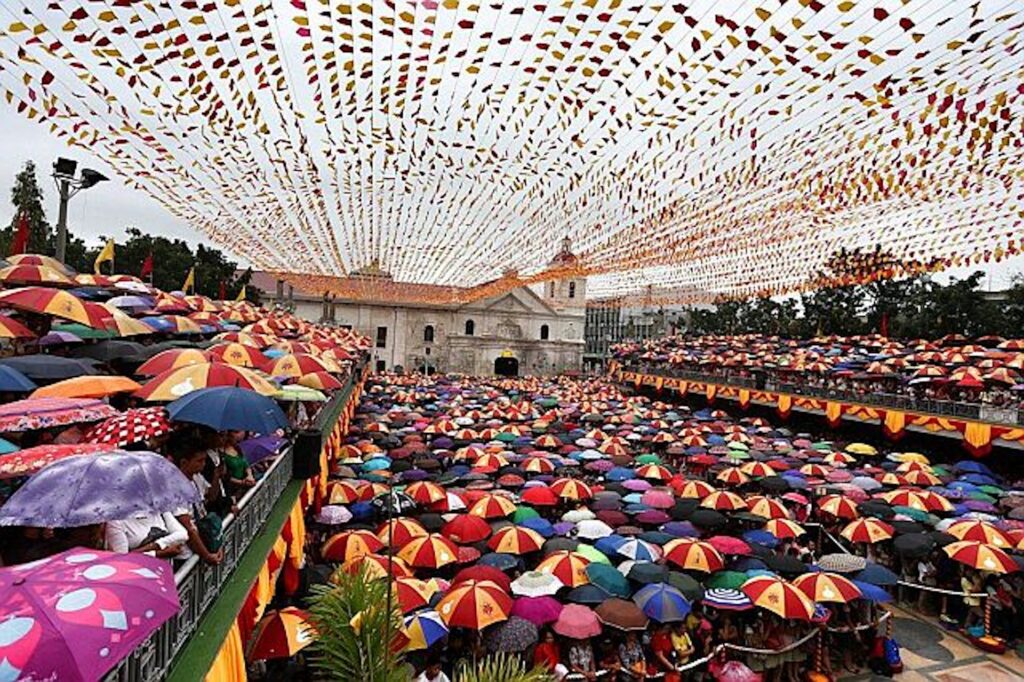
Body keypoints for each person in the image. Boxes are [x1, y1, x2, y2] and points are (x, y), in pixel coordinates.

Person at [105, 510, 188, 559]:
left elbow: (183, 534)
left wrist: (155, 546)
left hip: (165, 573)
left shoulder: (160, 509)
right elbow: (122, 560)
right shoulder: (116, 522)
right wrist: (158, 554)